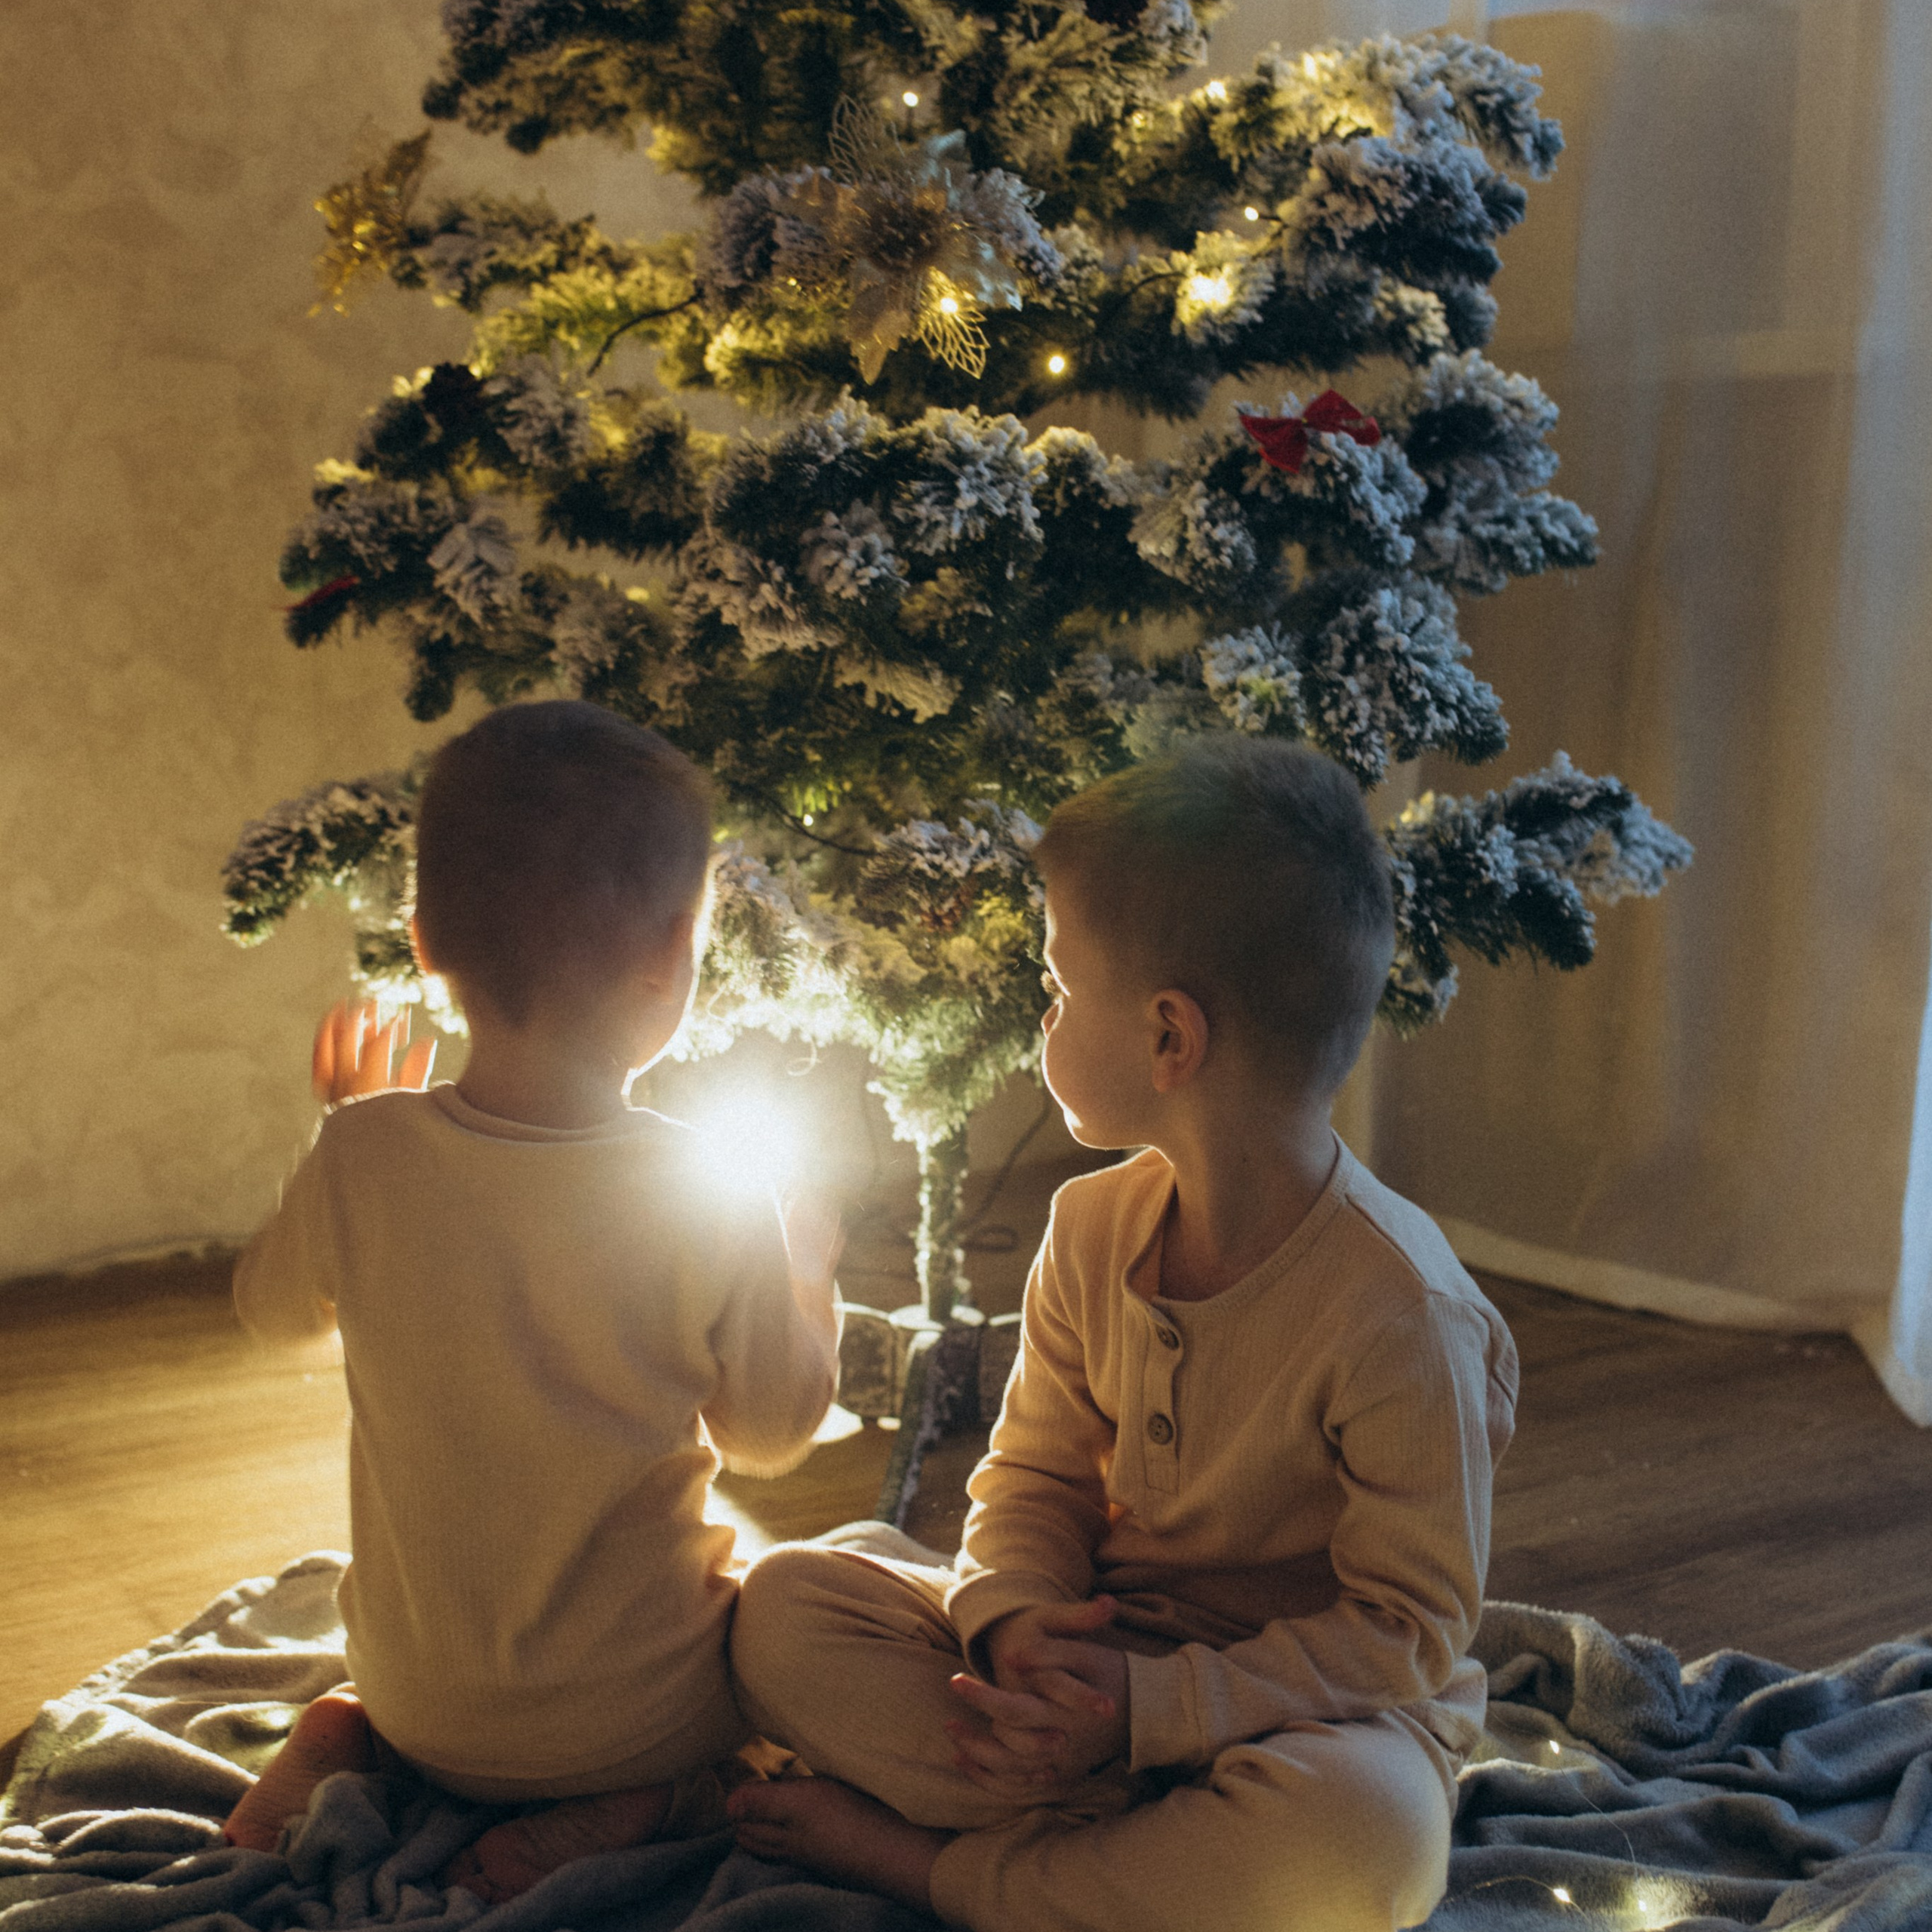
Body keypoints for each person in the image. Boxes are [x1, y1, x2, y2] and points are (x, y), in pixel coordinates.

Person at [726, 734, 1519, 1932]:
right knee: (784, 1604)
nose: (1039, 1019)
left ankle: (940, 1867)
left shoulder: (1405, 1311)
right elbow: (1034, 1476)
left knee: (1366, 1848)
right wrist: (1014, 1625)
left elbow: (1407, 1632)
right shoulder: (1090, 1226)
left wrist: (1156, 1707)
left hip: (1300, 1722)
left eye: (1055, 990)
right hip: (1084, 1684)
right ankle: (1108, 1855)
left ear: (1168, 1039)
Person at [223, 702, 841, 1901]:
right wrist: (809, 1281)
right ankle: (647, 1800)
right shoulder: (707, 1190)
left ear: (421, 941)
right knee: (772, 1672)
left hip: (421, 1700)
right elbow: (773, 1436)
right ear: (675, 960)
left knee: (394, 1665)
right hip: (627, 1714)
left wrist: (333, 1149)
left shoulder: (362, 1151)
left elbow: (270, 1308)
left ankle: (347, 1732)